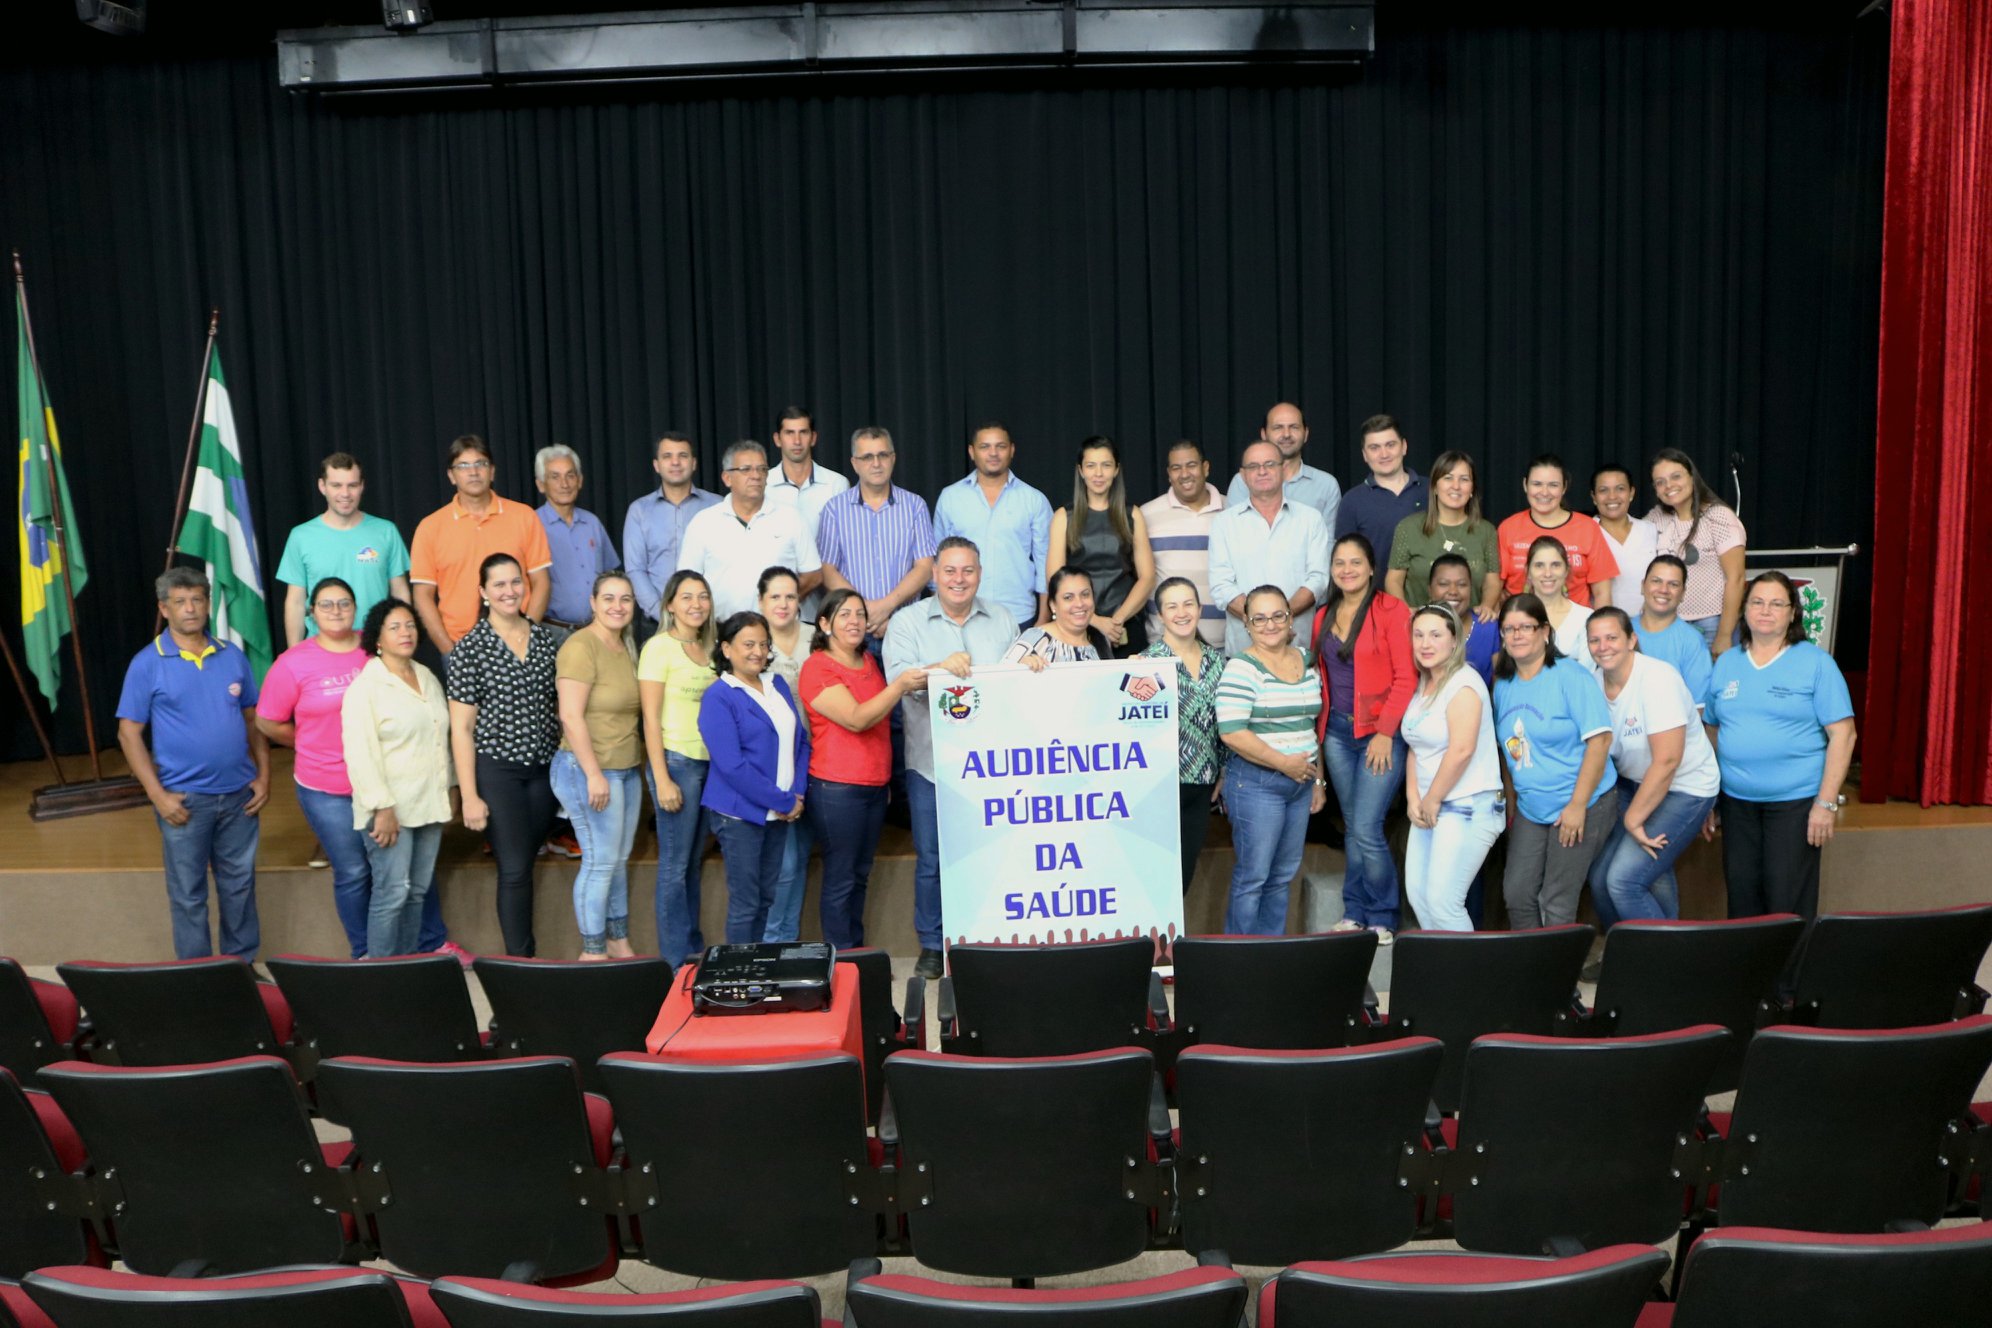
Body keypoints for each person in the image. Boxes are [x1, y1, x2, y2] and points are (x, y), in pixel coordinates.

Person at [117, 568, 271, 960]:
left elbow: (254, 721)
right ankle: (198, 981)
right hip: (183, 802)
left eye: (198, 600)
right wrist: (158, 796)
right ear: (164, 608)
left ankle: (241, 971)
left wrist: (264, 776)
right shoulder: (147, 663)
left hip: (239, 797)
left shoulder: (231, 655)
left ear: (208, 604)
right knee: (188, 894)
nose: (191, 609)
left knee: (239, 889)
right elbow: (128, 734)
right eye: (181, 602)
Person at [883, 537, 1017, 977]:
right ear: (935, 574)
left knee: (991, 852)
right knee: (933, 859)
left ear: (980, 573)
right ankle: (931, 944)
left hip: (991, 765)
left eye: (968, 571)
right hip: (931, 764)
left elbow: (1018, 687)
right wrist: (942, 667)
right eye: (950, 571)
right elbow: (899, 682)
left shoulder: (1002, 620)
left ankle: (984, 935)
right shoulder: (907, 623)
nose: (959, 580)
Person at [1704, 572, 1856, 920]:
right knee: (1742, 896)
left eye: (1776, 603)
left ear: (1792, 613)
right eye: (1757, 602)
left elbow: (1843, 736)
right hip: (1737, 804)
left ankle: (1788, 977)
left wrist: (1826, 803)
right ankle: (1750, 974)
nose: (1765, 611)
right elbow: (1712, 729)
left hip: (1795, 804)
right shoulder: (1727, 662)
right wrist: (1712, 795)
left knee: (1785, 902)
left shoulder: (1816, 664)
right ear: (1744, 610)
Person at [446, 554, 563, 957]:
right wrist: (470, 795)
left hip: (545, 772)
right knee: (513, 870)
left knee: (524, 862)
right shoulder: (470, 649)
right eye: (499, 585)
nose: (509, 591)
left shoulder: (545, 640)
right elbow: (460, 728)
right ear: (483, 592)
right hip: (497, 772)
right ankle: (520, 965)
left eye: (515, 582)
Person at [800, 589, 925, 948]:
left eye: (859, 614)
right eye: (844, 615)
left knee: (859, 876)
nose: (854, 621)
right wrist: (900, 684)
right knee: (841, 879)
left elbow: (881, 727)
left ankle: (856, 956)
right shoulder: (817, 667)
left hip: (872, 786)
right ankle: (845, 963)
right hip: (837, 789)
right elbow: (857, 719)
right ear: (824, 624)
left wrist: (883, 779)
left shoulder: (869, 661)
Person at [1584, 609, 1721, 930]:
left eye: (1612, 637)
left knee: (1624, 880)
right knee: (1601, 879)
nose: (1603, 646)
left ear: (1632, 640)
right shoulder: (1592, 683)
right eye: (1595, 639)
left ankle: (1666, 966)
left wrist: (1634, 819)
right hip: (1634, 785)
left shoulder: (1658, 679)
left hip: (1685, 789)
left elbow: (1668, 760)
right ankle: (1624, 956)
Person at [256, 577, 371, 958]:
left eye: (343, 603)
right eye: (326, 604)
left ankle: (413, 946)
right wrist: (306, 741)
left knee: (393, 869)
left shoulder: (376, 649)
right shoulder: (293, 663)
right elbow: (268, 721)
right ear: (311, 613)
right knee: (353, 871)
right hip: (326, 787)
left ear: (355, 608)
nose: (336, 611)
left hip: (379, 782)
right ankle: (365, 952)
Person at [1311, 534, 1415, 943]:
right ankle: (1354, 911)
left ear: (1372, 568)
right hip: (1336, 733)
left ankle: (1384, 914)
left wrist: (1386, 732)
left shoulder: (1392, 610)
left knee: (1368, 827)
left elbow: (1406, 678)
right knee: (1354, 824)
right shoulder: (1323, 615)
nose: (1347, 570)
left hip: (1379, 734)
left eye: (1356, 562)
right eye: (1340, 563)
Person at [1491, 593, 1616, 929]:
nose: (1516, 635)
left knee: (1556, 899)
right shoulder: (1503, 684)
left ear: (1545, 631)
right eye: (1508, 629)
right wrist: (1512, 797)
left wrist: (1577, 806)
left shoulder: (1570, 675)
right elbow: (1509, 749)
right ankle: (1532, 972)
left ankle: (1559, 981)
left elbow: (1600, 741)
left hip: (1581, 802)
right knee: (1516, 893)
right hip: (1533, 808)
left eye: (1525, 627)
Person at [342, 598, 454, 959]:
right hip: (389, 809)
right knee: (392, 893)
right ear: (377, 638)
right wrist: (381, 807)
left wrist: (449, 787)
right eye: (394, 627)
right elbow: (359, 753)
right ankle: (379, 977)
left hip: (428, 802)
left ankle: (407, 970)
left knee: (417, 891)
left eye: (409, 625)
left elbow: (440, 736)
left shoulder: (425, 675)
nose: (405, 632)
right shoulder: (366, 687)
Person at [1215, 585, 1326, 935]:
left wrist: (1317, 779)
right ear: (1246, 624)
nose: (1270, 624)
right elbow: (1231, 732)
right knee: (1254, 876)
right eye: (1259, 618)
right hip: (1256, 784)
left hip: (1301, 784)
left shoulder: (1307, 661)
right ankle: (1240, 962)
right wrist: (1284, 763)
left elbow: (1311, 726)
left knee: (1281, 877)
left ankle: (1270, 958)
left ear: (1291, 618)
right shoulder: (1241, 668)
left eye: (1278, 615)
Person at [699, 611, 810, 943]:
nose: (757, 652)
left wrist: (798, 794)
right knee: (747, 904)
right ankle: (738, 979)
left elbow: (800, 741)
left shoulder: (776, 684)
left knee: (766, 898)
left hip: (779, 812)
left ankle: (757, 966)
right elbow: (732, 767)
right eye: (748, 644)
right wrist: (785, 800)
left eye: (763, 644)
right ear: (727, 649)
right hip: (739, 815)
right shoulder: (718, 696)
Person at [551, 573, 644, 960]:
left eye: (625, 599)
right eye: (608, 598)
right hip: (586, 768)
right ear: (592, 602)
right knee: (600, 862)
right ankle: (592, 953)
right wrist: (593, 774)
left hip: (625, 767)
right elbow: (570, 716)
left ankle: (617, 941)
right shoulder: (580, 646)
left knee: (617, 862)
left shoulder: (626, 645)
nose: (617, 606)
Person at [1400, 603, 1503, 932]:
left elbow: (1461, 750)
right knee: (1420, 898)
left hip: (1469, 805)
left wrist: (1432, 799)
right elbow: (1417, 745)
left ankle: (1471, 982)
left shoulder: (1464, 683)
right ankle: (1444, 978)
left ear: (1454, 641)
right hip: (1432, 805)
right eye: (1418, 635)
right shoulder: (1425, 684)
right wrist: (1413, 796)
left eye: (1435, 635)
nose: (1425, 643)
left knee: (1444, 903)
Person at [638, 570, 719, 966]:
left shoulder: (712, 649)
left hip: (709, 765)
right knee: (674, 866)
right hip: (676, 762)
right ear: (670, 604)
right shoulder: (658, 648)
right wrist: (662, 780)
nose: (696, 605)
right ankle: (675, 962)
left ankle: (692, 950)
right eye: (686, 597)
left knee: (692, 863)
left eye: (702, 596)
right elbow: (650, 719)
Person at [410, 434, 553, 659]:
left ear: (492, 471)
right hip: (460, 647)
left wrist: (528, 635)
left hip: (520, 645)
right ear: (451, 475)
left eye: (480, 464)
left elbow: (541, 582)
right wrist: (448, 649)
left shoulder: (523, 516)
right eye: (463, 466)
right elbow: (422, 596)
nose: (473, 471)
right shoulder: (430, 527)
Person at [1140, 578, 1227, 893]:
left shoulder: (1216, 662)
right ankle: (1150, 943)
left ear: (1200, 609)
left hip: (1202, 784)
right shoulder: (1145, 665)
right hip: (1159, 786)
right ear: (1160, 615)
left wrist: (1223, 769)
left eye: (1188, 604)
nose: (1181, 612)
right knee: (1155, 874)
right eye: (1171, 606)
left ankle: (1170, 944)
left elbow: (1223, 723)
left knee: (1182, 877)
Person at [815, 426, 938, 645]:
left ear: (893, 458)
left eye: (882, 455)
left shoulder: (915, 506)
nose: (876, 463)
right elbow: (827, 570)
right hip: (852, 632)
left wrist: (884, 608)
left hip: (905, 628)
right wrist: (863, 612)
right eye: (867, 457)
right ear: (855, 463)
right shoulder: (834, 510)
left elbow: (925, 567)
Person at [275, 453, 410, 648]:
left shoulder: (386, 531)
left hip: (375, 647)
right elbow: (296, 602)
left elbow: (400, 592)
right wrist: (294, 655)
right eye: (336, 485)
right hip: (320, 648)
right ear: (322, 486)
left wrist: (400, 643)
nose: (345, 493)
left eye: (352, 485)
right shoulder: (300, 536)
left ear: (362, 486)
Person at [1208, 441, 1332, 654]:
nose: (1262, 471)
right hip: (1243, 651)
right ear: (1243, 475)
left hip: (1298, 648)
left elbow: (1318, 579)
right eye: (1253, 466)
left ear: (1283, 469)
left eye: (1270, 464)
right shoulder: (1224, 523)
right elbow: (1221, 586)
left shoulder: (1311, 519)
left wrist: (1279, 620)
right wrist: (1266, 621)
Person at [679, 440, 823, 620]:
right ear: (727, 478)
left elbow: (813, 574)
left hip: (777, 631)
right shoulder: (704, 522)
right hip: (720, 631)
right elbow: (686, 581)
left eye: (762, 469)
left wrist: (781, 605)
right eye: (746, 469)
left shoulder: (791, 518)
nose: (756, 475)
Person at [932, 421, 1054, 631]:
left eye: (1001, 446)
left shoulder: (1034, 500)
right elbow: (939, 561)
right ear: (972, 451)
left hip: (1020, 616)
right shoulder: (950, 497)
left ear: (1012, 450)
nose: (993, 453)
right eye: (985, 446)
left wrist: (1044, 618)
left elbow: (1046, 561)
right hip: (961, 614)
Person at [1047, 435, 1156, 657]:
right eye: (1091, 466)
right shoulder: (1063, 517)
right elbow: (1054, 580)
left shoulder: (1133, 514)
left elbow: (1147, 577)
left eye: (1106, 465)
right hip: (1076, 625)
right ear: (1080, 471)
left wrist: (1116, 621)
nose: (1098, 473)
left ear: (1116, 470)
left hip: (1125, 626)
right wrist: (1095, 621)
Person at [757, 567, 816, 944]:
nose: (783, 604)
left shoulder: (817, 636)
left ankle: (789, 943)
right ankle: (774, 946)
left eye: (790, 596)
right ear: (761, 601)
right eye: (775, 597)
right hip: (772, 767)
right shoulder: (752, 642)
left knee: (800, 861)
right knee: (785, 865)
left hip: (817, 760)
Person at [1648, 448, 1747, 653]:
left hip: (1712, 623)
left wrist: (1724, 635)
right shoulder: (1657, 518)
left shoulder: (1717, 517)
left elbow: (1736, 579)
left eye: (1676, 476)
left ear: (1692, 477)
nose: (1669, 486)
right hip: (1670, 624)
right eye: (1660, 482)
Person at [1385, 450, 1501, 617]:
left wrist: (1486, 606)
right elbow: (1393, 580)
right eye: (1448, 478)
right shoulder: (1408, 528)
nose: (1456, 486)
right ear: (1434, 487)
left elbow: (1492, 581)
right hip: (1420, 629)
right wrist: (1404, 611)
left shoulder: (1486, 531)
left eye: (1464, 479)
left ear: (1472, 489)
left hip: (1470, 626)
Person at [624, 431, 720, 623]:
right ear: (656, 465)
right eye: (667, 456)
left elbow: (727, 564)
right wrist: (662, 614)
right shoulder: (639, 511)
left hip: (708, 620)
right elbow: (635, 570)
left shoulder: (718, 506)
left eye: (683, 456)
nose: (675, 462)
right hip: (656, 622)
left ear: (694, 463)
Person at [1138, 440, 1227, 648]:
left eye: (1191, 465)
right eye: (1176, 468)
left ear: (1206, 468)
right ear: (1168, 474)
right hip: (1165, 644)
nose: (1184, 474)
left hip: (1224, 644)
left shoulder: (1232, 510)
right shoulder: (1146, 515)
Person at [1497, 454, 1617, 607]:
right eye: (1537, 484)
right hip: (1521, 626)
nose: (1544, 492)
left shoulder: (1588, 528)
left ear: (1564, 487)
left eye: (1553, 485)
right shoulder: (1508, 528)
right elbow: (1495, 588)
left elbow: (1602, 593)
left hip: (1575, 628)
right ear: (1525, 485)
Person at [534, 444, 621, 635]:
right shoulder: (532, 525)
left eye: (570, 475)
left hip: (597, 630)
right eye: (554, 477)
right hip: (551, 631)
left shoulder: (592, 523)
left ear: (580, 481)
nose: (564, 484)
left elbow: (610, 576)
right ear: (541, 484)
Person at [1224, 402, 1342, 530]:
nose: (1286, 434)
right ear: (1264, 434)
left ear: (1306, 434)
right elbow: (1233, 533)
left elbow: (1329, 543)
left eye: (1294, 427)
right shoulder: (1243, 481)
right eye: (1278, 427)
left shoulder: (1326, 485)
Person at [1335, 413, 1426, 570]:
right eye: (1374, 448)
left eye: (1390, 445)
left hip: (1428, 593)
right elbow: (1344, 560)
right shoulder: (1351, 501)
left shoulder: (1432, 490)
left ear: (1404, 446)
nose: (1384, 454)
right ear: (1364, 454)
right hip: (1375, 593)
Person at [1633, 555, 1713, 708]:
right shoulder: (1623, 631)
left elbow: (1698, 708)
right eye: (1656, 581)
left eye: (1673, 584)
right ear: (1643, 586)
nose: (1663, 590)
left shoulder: (1692, 641)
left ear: (1683, 593)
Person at [1591, 464, 1658, 617]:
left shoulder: (1651, 530)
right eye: (1603, 490)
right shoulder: (1585, 533)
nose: (1612, 496)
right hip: (1603, 629)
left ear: (1631, 493)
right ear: (1594, 497)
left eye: (1620, 488)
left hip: (1648, 627)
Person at [1005, 566, 1109, 667]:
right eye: (1068, 597)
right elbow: (1000, 678)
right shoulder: (1036, 637)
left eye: (1085, 594)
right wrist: (1021, 666)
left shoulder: (1100, 640)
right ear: (1053, 605)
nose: (1079, 603)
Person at [1427, 554, 1501, 684]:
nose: (1453, 591)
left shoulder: (1488, 627)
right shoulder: (1418, 629)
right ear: (1430, 590)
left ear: (1470, 589)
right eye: (1444, 584)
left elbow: (1499, 687)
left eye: (1462, 584)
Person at [1525, 536, 1597, 670]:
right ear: (1528, 572)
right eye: (1539, 565)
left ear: (1566, 571)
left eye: (1555, 565)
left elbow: (1586, 675)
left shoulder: (1585, 617)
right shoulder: (1514, 617)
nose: (1547, 573)